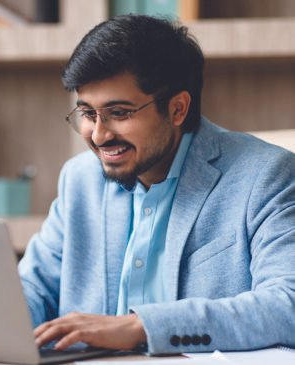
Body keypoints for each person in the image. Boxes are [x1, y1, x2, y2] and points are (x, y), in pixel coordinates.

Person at [18, 14, 295, 354]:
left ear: (177, 108)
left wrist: (140, 328)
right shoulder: (79, 179)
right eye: (88, 114)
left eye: (119, 113)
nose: (100, 135)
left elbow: (287, 305)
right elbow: (33, 286)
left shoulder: (266, 176)